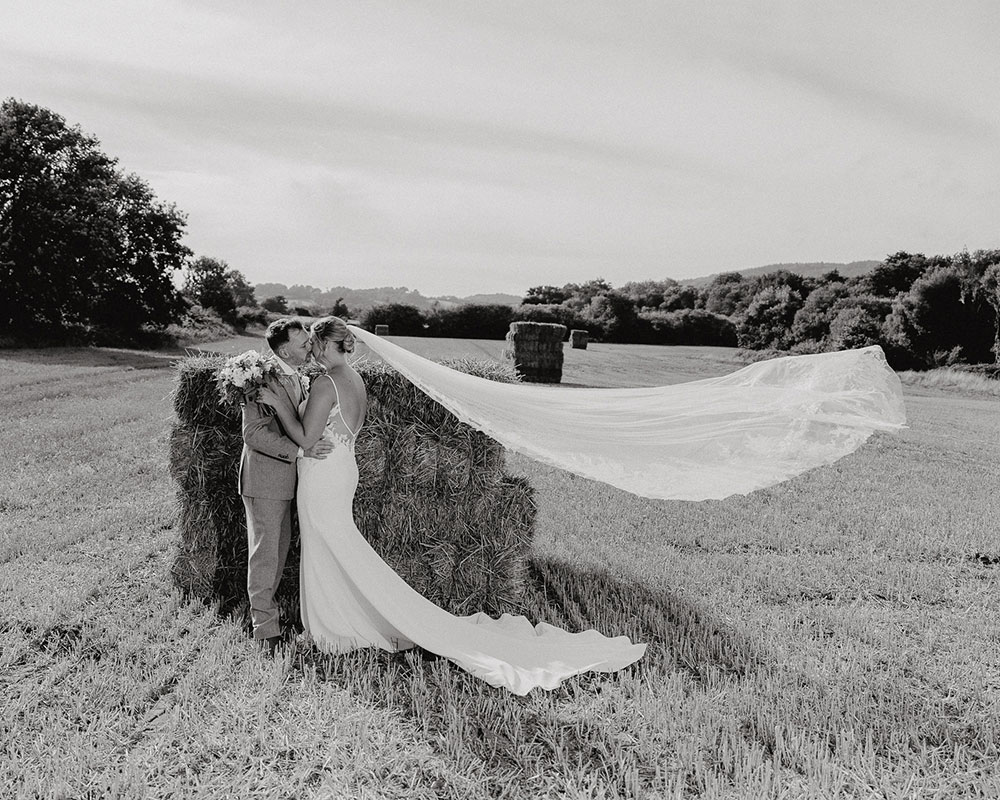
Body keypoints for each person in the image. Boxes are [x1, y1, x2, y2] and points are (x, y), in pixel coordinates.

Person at [258, 316, 646, 695]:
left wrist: (277, 404)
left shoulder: (327, 382)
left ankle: (339, 627)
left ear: (327, 344)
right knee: (335, 544)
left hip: (323, 471)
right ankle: (346, 620)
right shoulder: (354, 379)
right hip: (342, 467)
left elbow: (308, 438)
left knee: (331, 545)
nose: (310, 351)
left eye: (313, 344)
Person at [239, 317, 333, 655]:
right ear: (283, 350)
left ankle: (270, 618)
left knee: (278, 552)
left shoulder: (297, 377)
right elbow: (253, 434)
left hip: (288, 480)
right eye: (303, 342)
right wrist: (298, 450)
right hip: (265, 479)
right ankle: (264, 630)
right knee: (265, 554)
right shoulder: (262, 380)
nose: (310, 345)